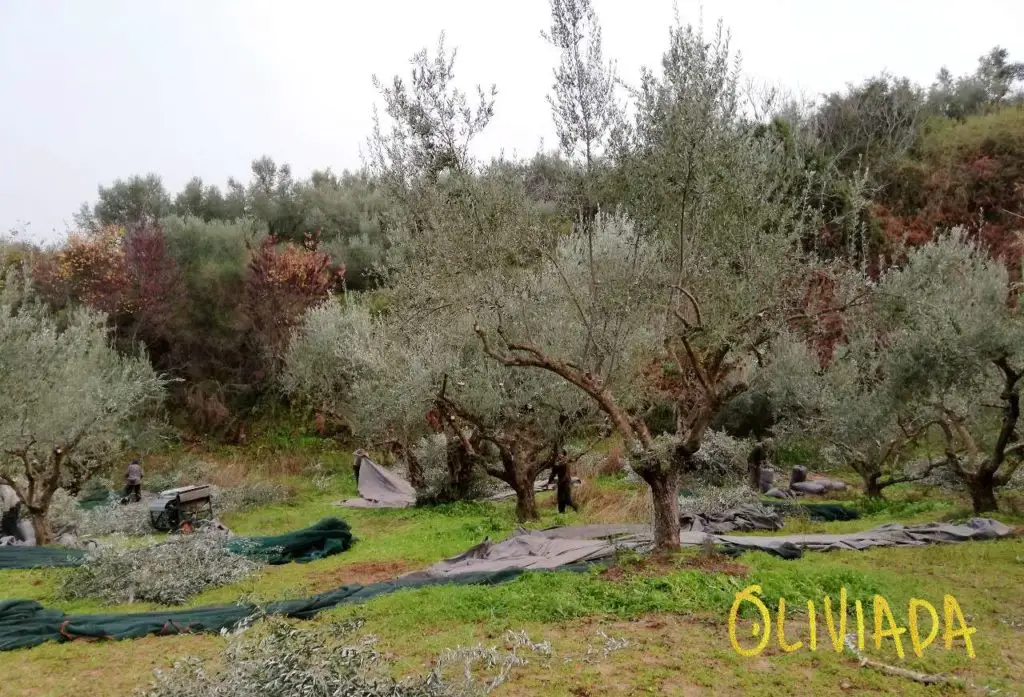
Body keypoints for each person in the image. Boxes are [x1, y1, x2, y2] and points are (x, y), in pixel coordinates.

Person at [549, 449, 578, 514]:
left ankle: (576, 508)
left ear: (563, 455)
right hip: (563, 483)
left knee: (567, 500)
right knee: (561, 500)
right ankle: (562, 513)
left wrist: (556, 484)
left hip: (565, 483)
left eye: (560, 454)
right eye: (559, 454)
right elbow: (554, 472)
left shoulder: (564, 463)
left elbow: (565, 476)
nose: (559, 455)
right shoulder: (562, 462)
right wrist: (550, 482)